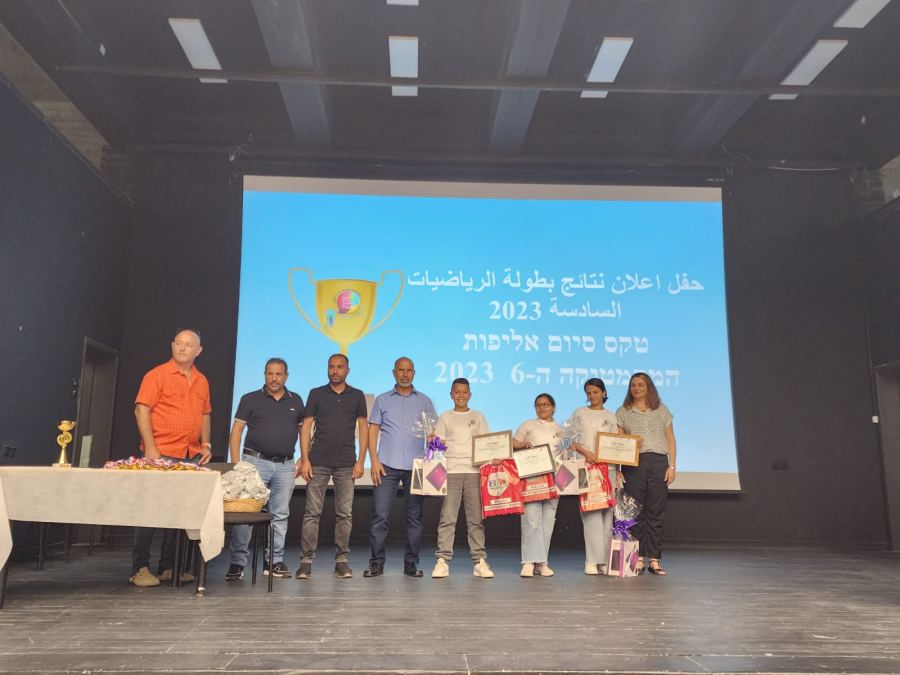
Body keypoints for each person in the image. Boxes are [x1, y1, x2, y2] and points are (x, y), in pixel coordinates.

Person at [130, 329, 212, 587]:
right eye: (178, 343)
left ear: (198, 351)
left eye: (188, 345)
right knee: (150, 510)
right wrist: (150, 447)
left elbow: (205, 414)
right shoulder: (157, 375)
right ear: (172, 346)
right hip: (160, 453)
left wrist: (205, 444)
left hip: (189, 455)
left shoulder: (202, 381)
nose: (182, 348)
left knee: (180, 514)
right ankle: (139, 568)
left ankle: (168, 567)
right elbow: (141, 410)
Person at [225, 358, 303, 581]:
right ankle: (237, 563)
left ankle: (274, 561)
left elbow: (304, 432)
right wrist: (236, 465)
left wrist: (305, 458)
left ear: (286, 376)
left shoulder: (296, 400)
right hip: (254, 463)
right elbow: (236, 431)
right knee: (246, 514)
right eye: (270, 374)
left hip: (286, 465)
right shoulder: (250, 399)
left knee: (280, 514)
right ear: (265, 375)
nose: (274, 378)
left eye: (278, 374)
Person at [295, 353, 367, 579]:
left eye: (339, 367)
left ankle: (341, 561)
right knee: (311, 513)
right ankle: (306, 562)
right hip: (317, 462)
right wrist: (305, 459)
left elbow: (364, 429)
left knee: (344, 514)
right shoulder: (316, 393)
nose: (335, 371)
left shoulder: (357, 395)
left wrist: (361, 461)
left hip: (346, 463)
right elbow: (306, 428)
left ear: (347, 370)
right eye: (331, 367)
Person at [365, 357, 436, 578]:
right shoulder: (382, 400)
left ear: (414, 373)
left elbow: (432, 434)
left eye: (408, 370)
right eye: (400, 370)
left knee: (415, 517)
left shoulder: (425, 401)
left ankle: (411, 563)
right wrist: (374, 461)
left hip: (417, 467)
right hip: (386, 465)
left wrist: (433, 462)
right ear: (394, 373)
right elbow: (373, 430)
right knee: (380, 516)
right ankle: (376, 562)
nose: (405, 374)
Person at [432, 378, 494, 579]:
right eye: (457, 392)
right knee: (447, 518)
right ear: (451, 394)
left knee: (475, 519)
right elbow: (437, 447)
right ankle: (442, 561)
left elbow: (487, 443)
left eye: (464, 392)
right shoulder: (445, 417)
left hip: (474, 472)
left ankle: (479, 561)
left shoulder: (478, 416)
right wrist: (433, 442)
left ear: (470, 395)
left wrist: (492, 457)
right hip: (450, 471)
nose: (460, 395)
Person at [616, 372, 677, 576]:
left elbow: (671, 439)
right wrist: (618, 470)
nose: (636, 388)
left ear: (649, 387)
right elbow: (617, 444)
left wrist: (672, 466)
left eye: (641, 384)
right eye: (633, 385)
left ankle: (655, 559)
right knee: (636, 511)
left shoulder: (662, 410)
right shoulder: (623, 412)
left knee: (656, 511)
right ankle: (639, 558)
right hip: (634, 464)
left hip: (659, 463)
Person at [566, 378, 618, 576]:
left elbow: (617, 445)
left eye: (596, 392)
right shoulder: (579, 413)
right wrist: (585, 452)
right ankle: (591, 560)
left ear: (604, 393)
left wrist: (618, 468)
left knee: (607, 514)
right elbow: (568, 439)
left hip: (608, 468)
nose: (592, 396)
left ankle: (603, 560)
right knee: (590, 513)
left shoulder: (611, 417)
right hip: (585, 467)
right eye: (588, 393)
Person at [512, 393, 563, 578]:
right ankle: (528, 562)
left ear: (553, 407)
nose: (542, 408)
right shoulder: (528, 425)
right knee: (531, 519)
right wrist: (523, 444)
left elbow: (567, 452)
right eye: (538, 405)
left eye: (546, 404)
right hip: (532, 478)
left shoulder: (561, 429)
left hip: (554, 479)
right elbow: (513, 442)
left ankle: (542, 563)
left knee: (548, 521)